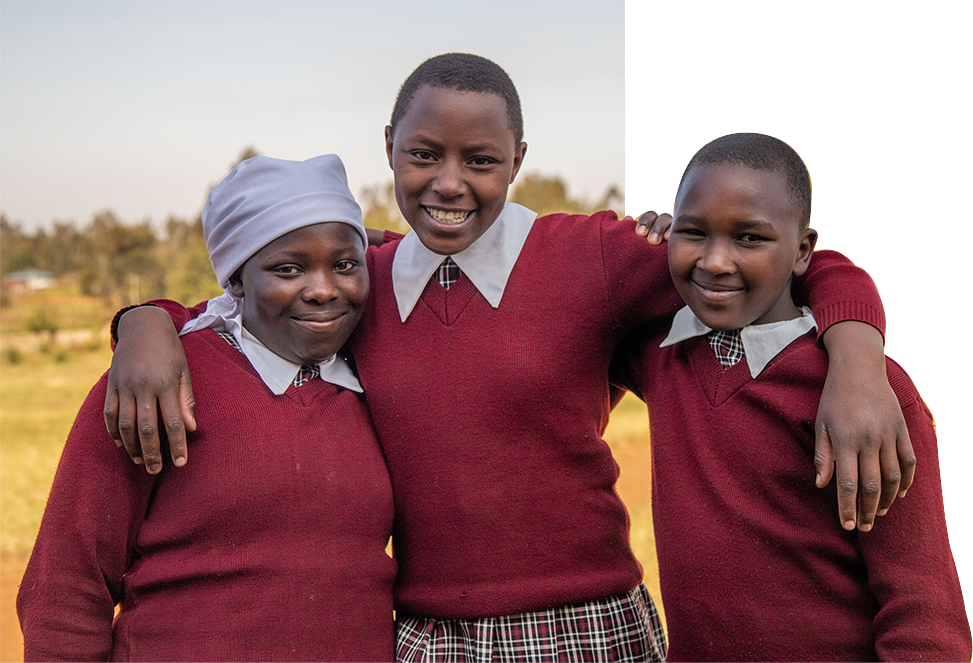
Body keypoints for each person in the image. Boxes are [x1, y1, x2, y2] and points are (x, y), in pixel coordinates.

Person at [104, 54, 913, 662]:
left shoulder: (594, 255)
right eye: (423, 154)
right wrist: (143, 320)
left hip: (590, 620)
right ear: (389, 148)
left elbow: (789, 268)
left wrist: (855, 354)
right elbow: (247, 296)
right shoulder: (362, 280)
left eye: (481, 161)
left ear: (517, 159)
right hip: (429, 634)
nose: (448, 183)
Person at [17, 155, 397, 662]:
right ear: (235, 282)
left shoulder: (378, 379)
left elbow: (434, 253)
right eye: (288, 268)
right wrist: (145, 321)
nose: (325, 289)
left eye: (344, 264)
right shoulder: (155, 382)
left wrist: (145, 315)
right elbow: (65, 589)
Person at [614, 132, 970, 661]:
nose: (714, 261)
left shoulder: (869, 398)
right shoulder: (666, 355)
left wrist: (855, 359)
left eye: (749, 239)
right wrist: (644, 246)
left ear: (803, 250)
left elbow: (924, 616)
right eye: (694, 232)